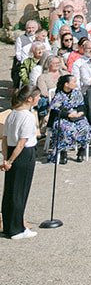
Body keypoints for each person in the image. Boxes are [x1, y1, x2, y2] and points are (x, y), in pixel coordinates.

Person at [3, 87, 39, 238]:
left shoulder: (11, 114)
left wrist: (6, 158)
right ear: (29, 99)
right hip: (23, 155)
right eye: (36, 97)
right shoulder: (27, 116)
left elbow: (4, 139)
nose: (38, 99)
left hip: (11, 152)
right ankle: (16, 229)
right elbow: (22, 141)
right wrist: (10, 160)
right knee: (20, 191)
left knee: (11, 191)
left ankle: (9, 225)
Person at [47, 74, 91, 163]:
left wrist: (80, 112)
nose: (76, 83)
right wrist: (68, 115)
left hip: (77, 117)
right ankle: (63, 151)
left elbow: (82, 105)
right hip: (62, 117)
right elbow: (55, 110)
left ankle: (81, 150)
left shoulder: (77, 93)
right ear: (66, 84)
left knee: (86, 127)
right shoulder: (59, 95)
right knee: (66, 128)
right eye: (74, 82)